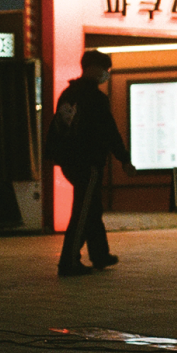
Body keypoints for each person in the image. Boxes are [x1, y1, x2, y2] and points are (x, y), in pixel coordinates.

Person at [51, 50, 132, 277]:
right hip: (88, 162)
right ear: (93, 68)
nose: (106, 74)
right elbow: (109, 131)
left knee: (92, 207)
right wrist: (124, 159)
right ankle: (69, 261)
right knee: (84, 210)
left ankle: (100, 254)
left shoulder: (68, 93)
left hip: (70, 160)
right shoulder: (95, 98)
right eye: (105, 70)